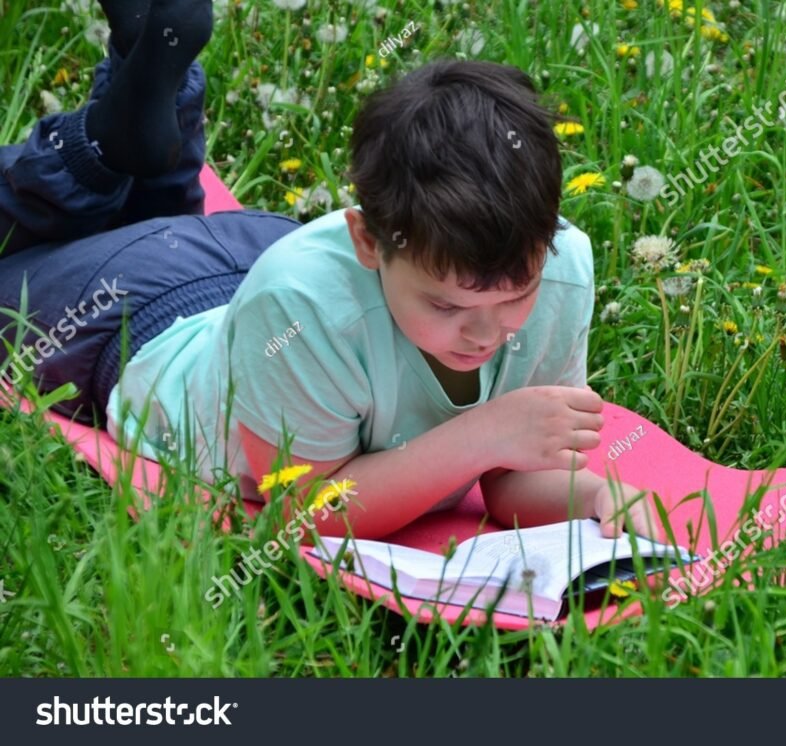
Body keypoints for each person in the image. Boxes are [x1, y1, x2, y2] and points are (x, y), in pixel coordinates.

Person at [0, 0, 664, 542]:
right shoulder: (300, 301)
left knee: (156, 209)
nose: (485, 334)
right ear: (367, 240)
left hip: (241, 262)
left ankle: (139, 108)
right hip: (128, 314)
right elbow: (306, 511)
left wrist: (597, 495)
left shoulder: (562, 268)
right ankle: (99, 145)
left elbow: (509, 478)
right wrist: (484, 433)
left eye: (516, 296)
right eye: (446, 307)